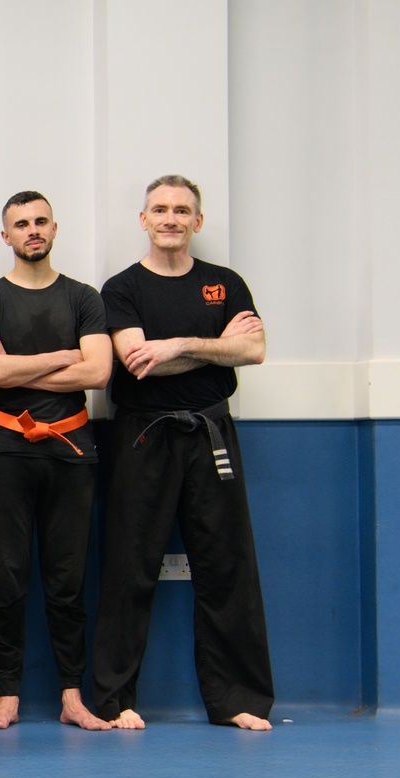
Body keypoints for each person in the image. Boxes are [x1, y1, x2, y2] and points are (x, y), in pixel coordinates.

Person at [94, 175, 273, 731]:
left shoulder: (225, 284)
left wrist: (179, 344)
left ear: (198, 221)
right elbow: (137, 362)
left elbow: (255, 348)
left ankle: (238, 698)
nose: (170, 218)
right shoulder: (122, 289)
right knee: (130, 565)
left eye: (181, 210)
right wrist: (218, 348)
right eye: (159, 209)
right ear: (143, 220)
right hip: (143, 436)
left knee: (227, 564)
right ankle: (114, 699)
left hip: (210, 433)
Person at [0, 192, 113, 731]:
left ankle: (72, 696)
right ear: (5, 236)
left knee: (67, 580)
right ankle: (7, 695)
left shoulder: (83, 298)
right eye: (21, 223)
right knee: (6, 578)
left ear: (54, 228)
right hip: (5, 449)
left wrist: (20, 367)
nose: (32, 230)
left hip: (70, 451)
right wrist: (63, 356)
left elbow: (98, 372)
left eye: (40, 221)